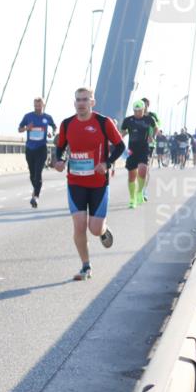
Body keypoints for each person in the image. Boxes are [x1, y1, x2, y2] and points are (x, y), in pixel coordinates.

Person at [52, 88, 123, 280]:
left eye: (85, 99)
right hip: (75, 182)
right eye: (78, 100)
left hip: (98, 183)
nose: (81, 103)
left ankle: (103, 230)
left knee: (94, 228)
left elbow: (121, 145)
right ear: (74, 103)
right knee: (79, 225)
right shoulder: (67, 124)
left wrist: (106, 164)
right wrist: (58, 161)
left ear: (93, 102)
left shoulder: (103, 122)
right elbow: (60, 148)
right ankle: (86, 266)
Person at [17, 97, 56, 207]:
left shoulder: (47, 117)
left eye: (39, 105)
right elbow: (19, 129)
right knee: (32, 174)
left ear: (43, 105)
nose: (37, 107)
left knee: (38, 173)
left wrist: (51, 134)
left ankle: (36, 197)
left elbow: (54, 127)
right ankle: (35, 191)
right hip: (30, 149)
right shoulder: (28, 116)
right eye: (35, 105)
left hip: (42, 148)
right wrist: (26, 128)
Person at [120, 100, 155, 209]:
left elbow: (155, 128)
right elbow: (123, 132)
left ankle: (140, 192)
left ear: (143, 109)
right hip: (132, 150)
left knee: (143, 170)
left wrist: (151, 136)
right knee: (132, 176)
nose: (137, 113)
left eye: (139, 111)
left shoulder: (149, 119)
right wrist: (119, 138)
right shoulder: (128, 120)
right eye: (135, 110)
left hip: (144, 148)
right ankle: (132, 198)